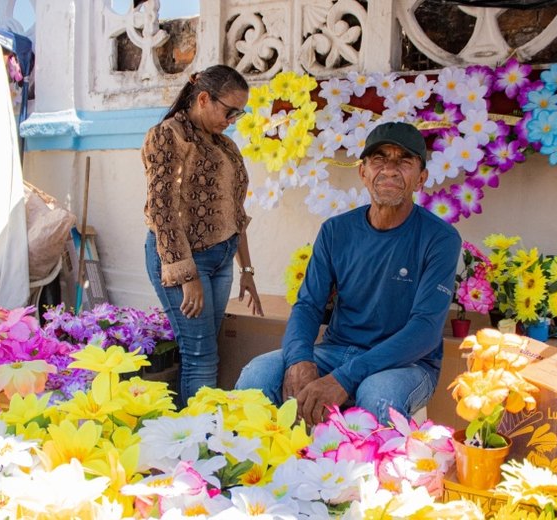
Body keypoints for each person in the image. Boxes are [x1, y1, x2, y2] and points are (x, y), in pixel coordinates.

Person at [236, 122, 461, 427]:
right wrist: (300, 359)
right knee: (257, 376)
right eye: (379, 159)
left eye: (404, 161)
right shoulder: (336, 230)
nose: (390, 170)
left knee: (378, 394)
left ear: (421, 179)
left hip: (406, 364)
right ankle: (253, 470)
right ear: (363, 173)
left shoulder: (440, 238)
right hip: (335, 351)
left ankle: (370, 476)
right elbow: (308, 305)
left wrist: (343, 378)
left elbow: (424, 330)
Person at [143, 65, 264, 408]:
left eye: (239, 114)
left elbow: (235, 214)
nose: (232, 120)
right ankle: (197, 446)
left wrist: (248, 271)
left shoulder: (224, 145)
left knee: (205, 351)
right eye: (229, 111)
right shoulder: (169, 135)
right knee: (201, 356)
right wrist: (187, 276)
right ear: (204, 98)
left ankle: (194, 435)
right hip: (183, 260)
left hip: (222, 260)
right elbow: (162, 209)